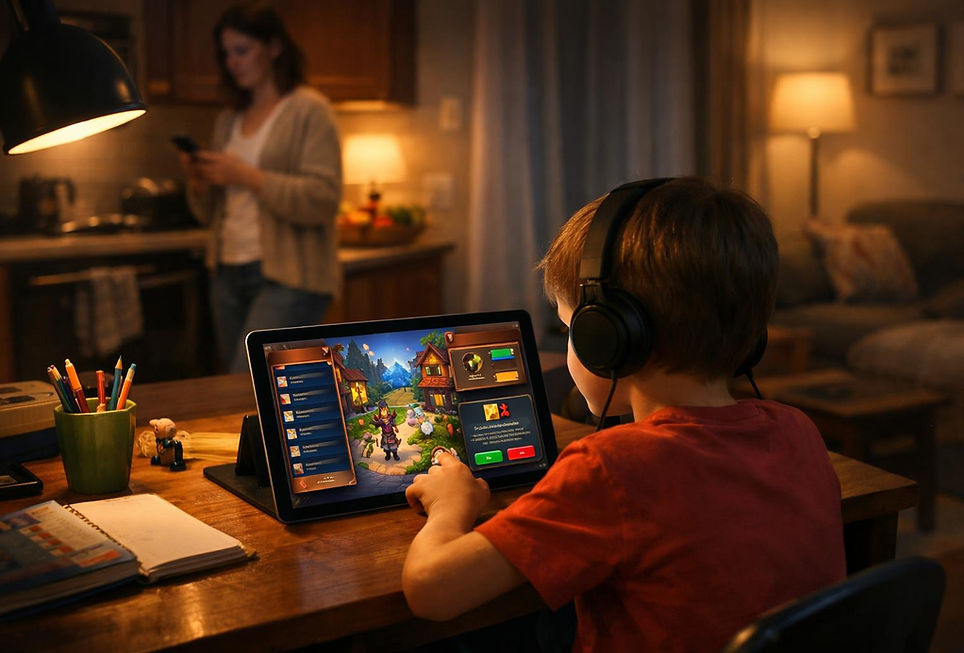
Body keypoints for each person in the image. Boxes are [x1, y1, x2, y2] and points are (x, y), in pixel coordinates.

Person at [401, 178, 846, 651]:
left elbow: (431, 589)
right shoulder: (797, 430)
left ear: (607, 338)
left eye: (570, 329)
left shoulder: (610, 470)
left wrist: (450, 504)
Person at [183, 0, 342, 373]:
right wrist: (201, 181)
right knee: (237, 388)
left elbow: (323, 198)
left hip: (290, 276)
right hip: (226, 270)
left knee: (250, 378)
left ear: (273, 47)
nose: (232, 62)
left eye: (242, 50)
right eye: (226, 54)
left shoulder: (309, 110)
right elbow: (209, 214)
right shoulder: (228, 119)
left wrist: (246, 176)